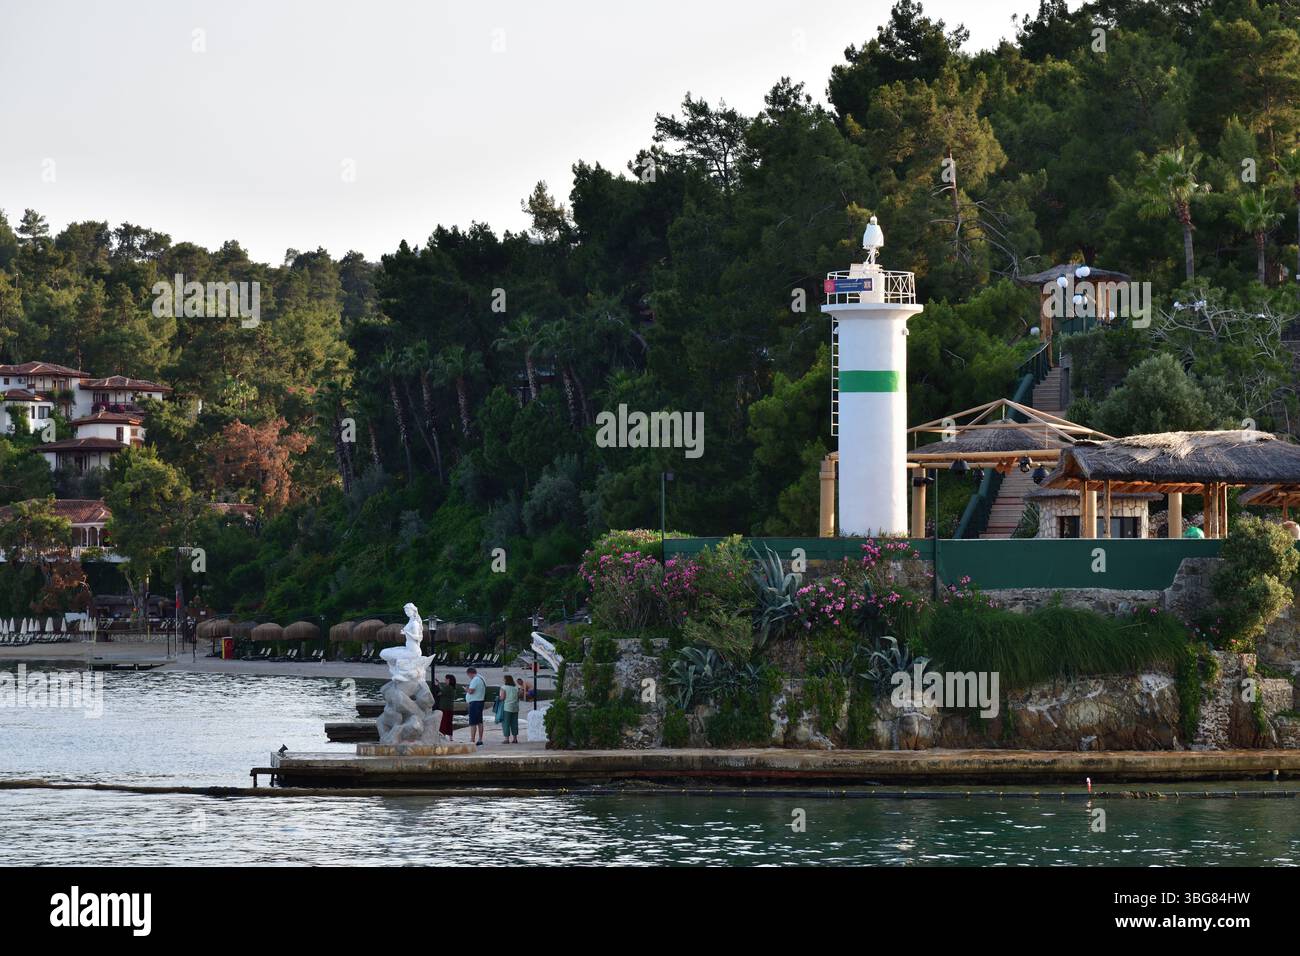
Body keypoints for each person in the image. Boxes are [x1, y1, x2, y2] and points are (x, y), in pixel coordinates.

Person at [464, 666, 487, 746]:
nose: (469, 677)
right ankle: (480, 739)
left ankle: (472, 739)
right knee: (479, 722)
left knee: (473, 722)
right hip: (480, 701)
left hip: (474, 703)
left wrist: (466, 689)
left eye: (468, 675)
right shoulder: (481, 678)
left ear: (470, 673)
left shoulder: (475, 679)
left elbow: (471, 691)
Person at [499, 674, 520, 744]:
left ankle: (507, 739)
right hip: (515, 707)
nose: (503, 680)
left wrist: (498, 698)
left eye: (504, 679)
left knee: (506, 723)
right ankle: (515, 738)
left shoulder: (503, 687)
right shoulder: (516, 688)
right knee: (514, 723)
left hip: (507, 707)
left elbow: (502, 698)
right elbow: (518, 697)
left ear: (506, 680)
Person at [438, 674, 457, 739]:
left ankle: (442, 735)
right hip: (450, 707)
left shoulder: (448, 687)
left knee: (443, 722)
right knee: (449, 722)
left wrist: (437, 685)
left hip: (444, 707)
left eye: (446, 679)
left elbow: (440, 692)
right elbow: (443, 690)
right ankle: (450, 736)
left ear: (449, 680)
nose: (445, 681)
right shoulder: (453, 688)